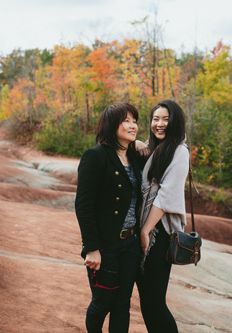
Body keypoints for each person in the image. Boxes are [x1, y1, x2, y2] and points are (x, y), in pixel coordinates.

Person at [76, 103, 144, 333]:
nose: (132, 125)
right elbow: (83, 205)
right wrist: (91, 247)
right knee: (103, 301)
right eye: (126, 120)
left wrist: (142, 145)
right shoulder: (95, 156)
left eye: (134, 120)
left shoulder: (134, 157)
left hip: (131, 243)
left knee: (122, 305)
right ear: (111, 124)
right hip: (106, 245)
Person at [137, 99, 189, 332]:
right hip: (146, 229)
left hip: (158, 234)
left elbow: (166, 196)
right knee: (148, 303)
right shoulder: (155, 150)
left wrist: (145, 230)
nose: (159, 124)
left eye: (165, 119)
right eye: (155, 119)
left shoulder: (179, 151)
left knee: (155, 302)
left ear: (175, 122)